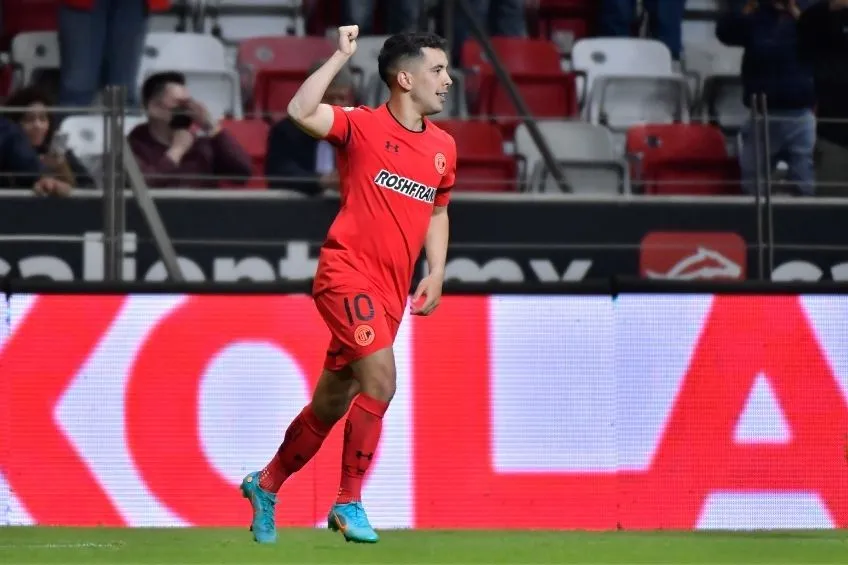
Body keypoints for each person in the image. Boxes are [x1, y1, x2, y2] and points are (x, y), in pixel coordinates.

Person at [240, 28, 456, 544]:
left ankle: (265, 484)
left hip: (390, 291)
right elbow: (299, 110)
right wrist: (340, 56)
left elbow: (438, 210)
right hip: (345, 274)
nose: (448, 81)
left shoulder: (444, 147)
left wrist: (437, 269)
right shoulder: (360, 125)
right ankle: (348, 501)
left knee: (330, 405)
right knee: (381, 381)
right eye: (438, 70)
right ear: (404, 79)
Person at [717, 0, 816, 196]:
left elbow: (822, 38)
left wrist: (794, 11)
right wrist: (747, 7)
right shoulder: (756, 11)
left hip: (800, 114)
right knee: (752, 181)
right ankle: (753, 224)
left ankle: (805, 223)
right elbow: (725, 33)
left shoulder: (809, 9)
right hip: (761, 114)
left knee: (803, 181)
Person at [128, 71, 253, 188]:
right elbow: (141, 185)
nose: (187, 110)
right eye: (179, 104)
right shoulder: (133, 146)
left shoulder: (202, 145)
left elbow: (242, 171)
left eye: (189, 104)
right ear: (155, 108)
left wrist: (212, 127)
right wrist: (176, 152)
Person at [264, 60, 355, 195]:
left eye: (341, 98)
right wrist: (320, 181)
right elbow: (280, 174)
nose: (336, 105)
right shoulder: (287, 131)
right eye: (328, 98)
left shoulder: (360, 131)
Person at [798, 0, 848, 196]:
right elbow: (804, 30)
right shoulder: (823, 19)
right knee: (830, 208)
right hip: (833, 136)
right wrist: (830, 7)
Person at [5, 86, 95, 189]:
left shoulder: (60, 153)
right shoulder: (6, 155)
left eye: (43, 119)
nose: (37, 125)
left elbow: (89, 188)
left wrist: (61, 167)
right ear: (14, 124)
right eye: (29, 120)